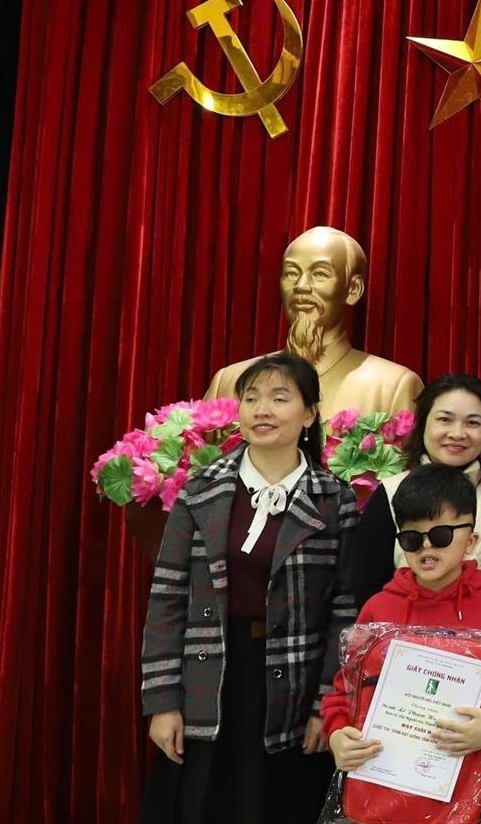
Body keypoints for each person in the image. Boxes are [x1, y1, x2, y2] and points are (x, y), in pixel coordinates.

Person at [140, 352, 360, 824]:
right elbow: (167, 599)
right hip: (210, 675)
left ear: (309, 414)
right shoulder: (201, 490)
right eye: (252, 398)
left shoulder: (334, 499)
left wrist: (328, 704)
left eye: (280, 398)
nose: (263, 410)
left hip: (292, 683)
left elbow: (345, 611)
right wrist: (163, 702)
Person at [323, 466, 481, 795]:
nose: (426, 547)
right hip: (386, 781)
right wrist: (337, 734)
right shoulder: (379, 609)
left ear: (471, 541)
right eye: (412, 539)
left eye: (440, 535)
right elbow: (346, 689)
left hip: (475, 786)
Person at [204, 226, 422, 418]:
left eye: (320, 274)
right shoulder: (230, 381)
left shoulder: (393, 386)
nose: (301, 286)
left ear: (353, 289)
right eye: (291, 273)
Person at [347, 373, 481, 607]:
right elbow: (368, 588)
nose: (457, 433)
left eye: (473, 423)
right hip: (404, 627)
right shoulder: (390, 491)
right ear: (423, 423)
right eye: (444, 420)